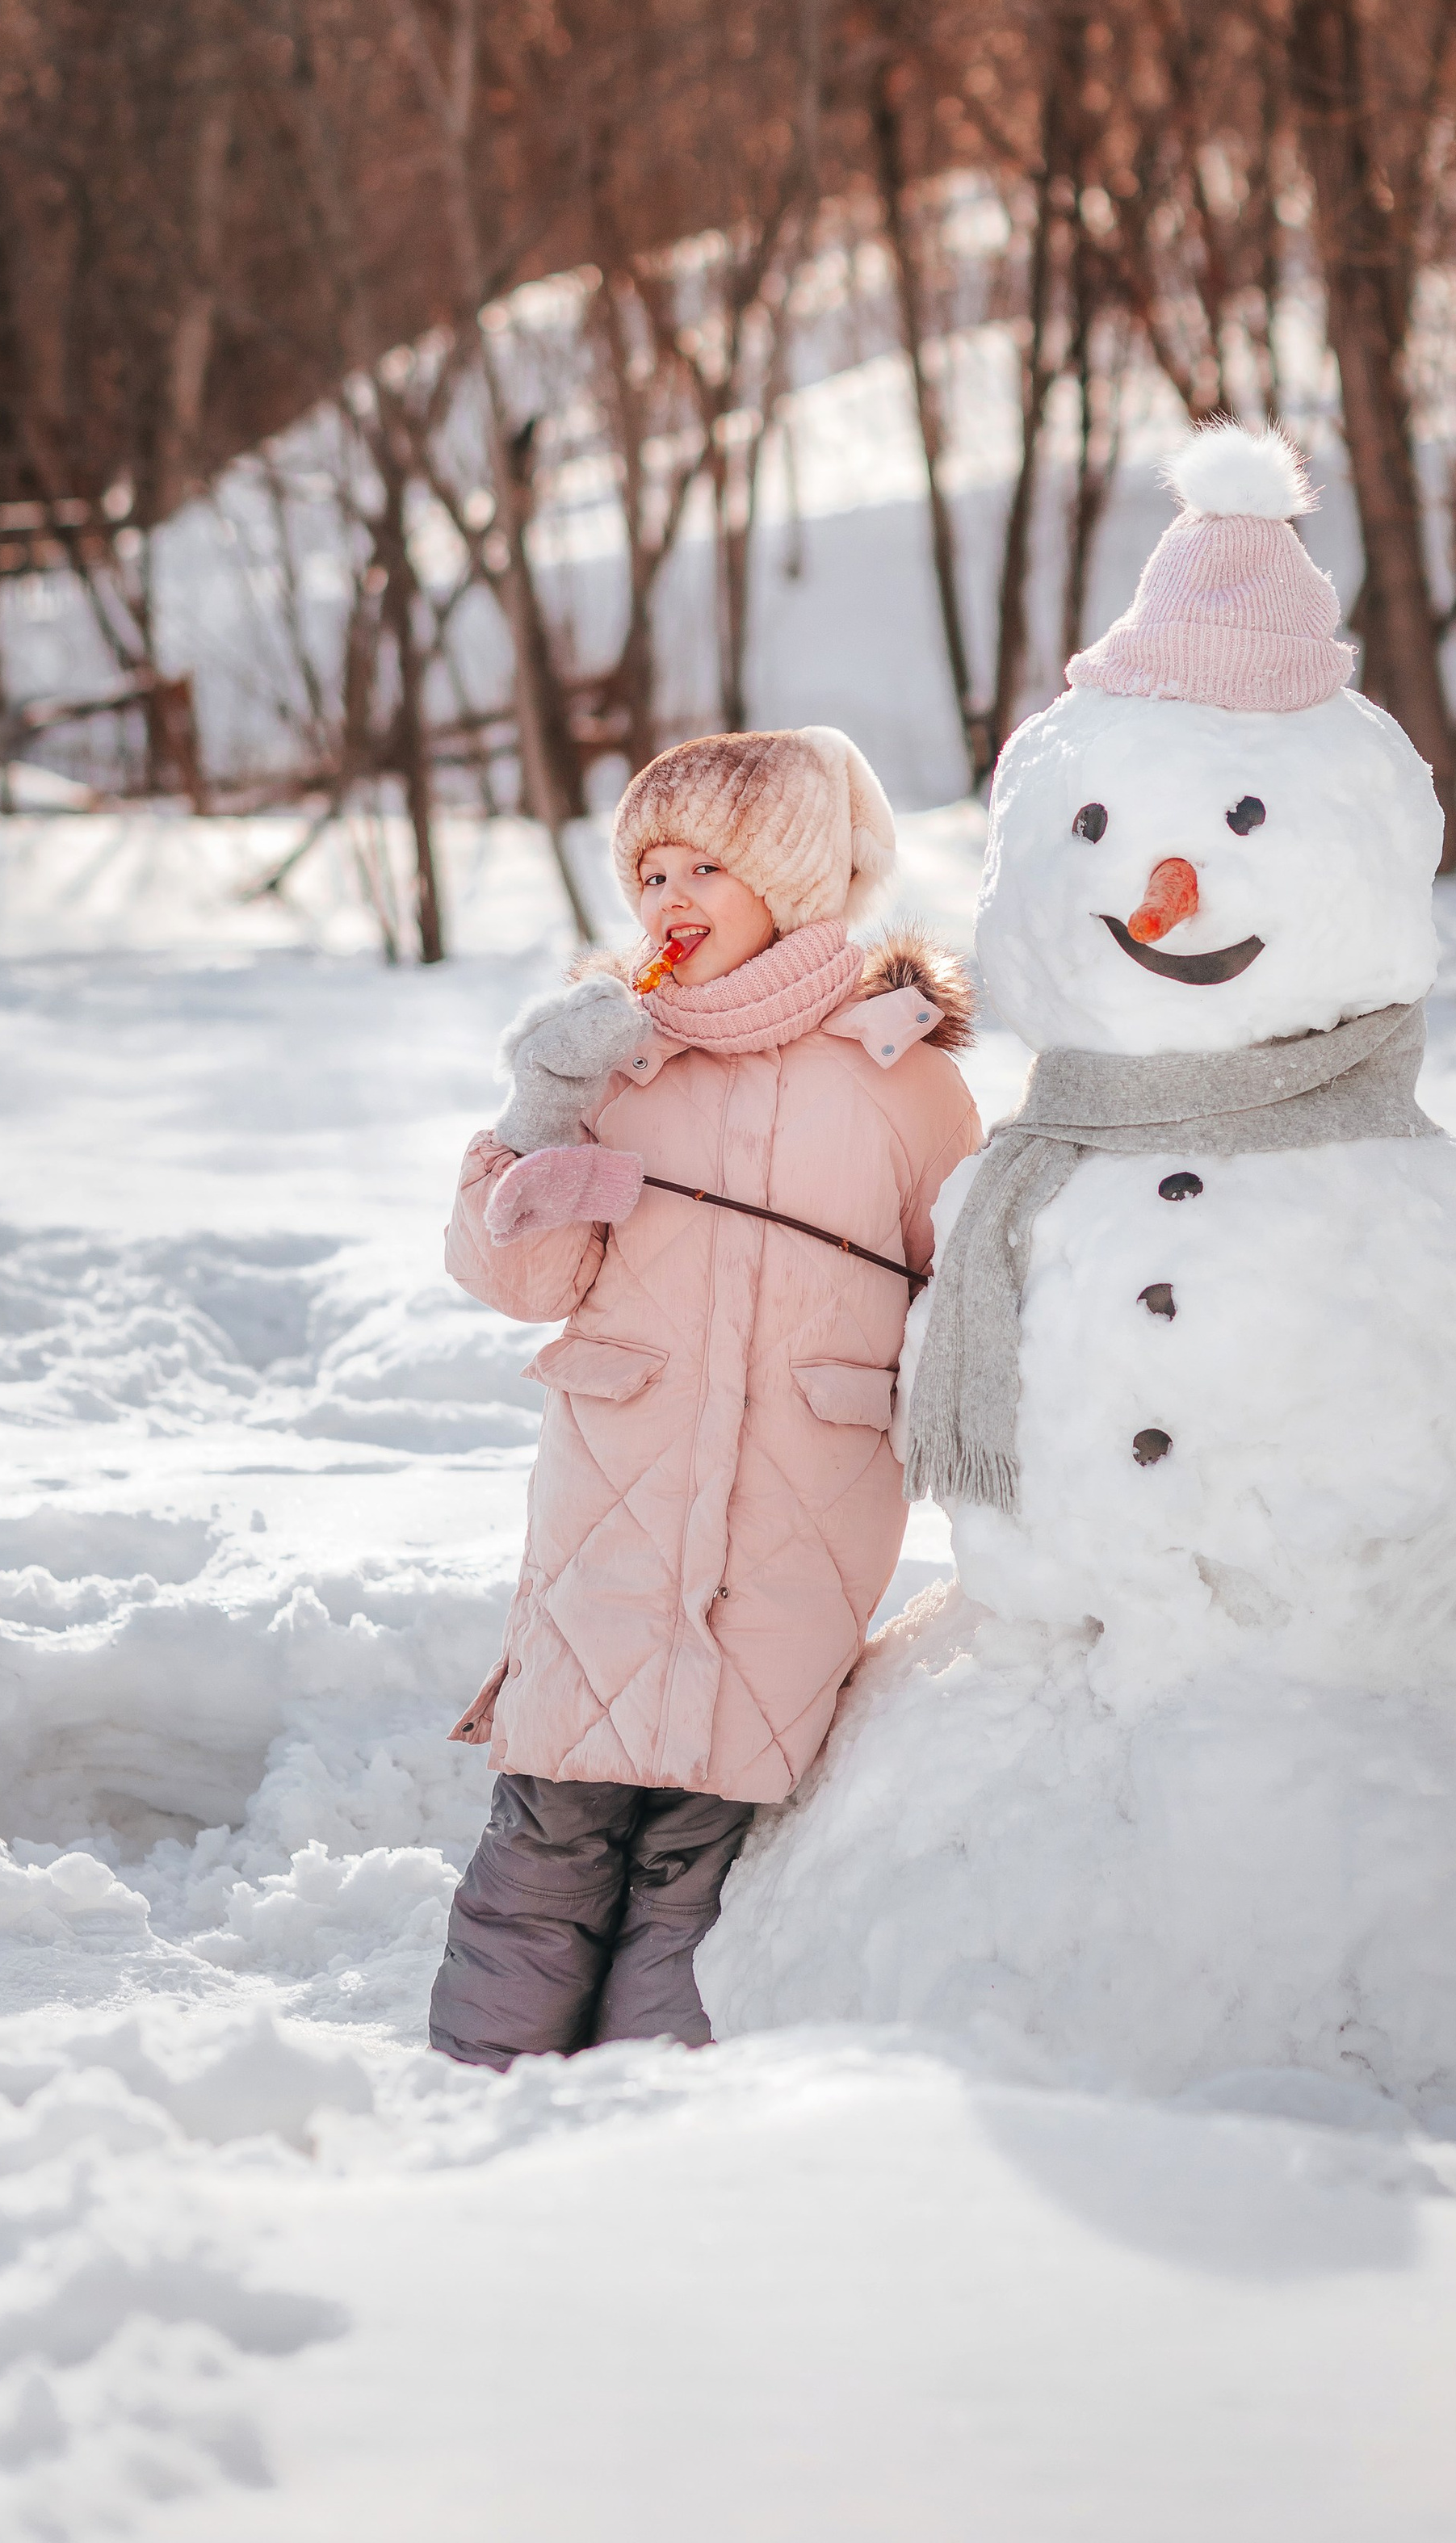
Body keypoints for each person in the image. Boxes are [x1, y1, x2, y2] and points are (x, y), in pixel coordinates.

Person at [428, 725, 980, 2068]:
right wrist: (542, 1108)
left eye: (705, 871)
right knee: (551, 1830)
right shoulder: (619, 1061)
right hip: (614, 1508)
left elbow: (963, 1294)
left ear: (790, 882)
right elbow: (521, 1279)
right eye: (649, 874)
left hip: (797, 1519)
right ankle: (475, 2110)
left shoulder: (904, 1080)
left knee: (698, 1864)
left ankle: (653, 2138)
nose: (668, 899)